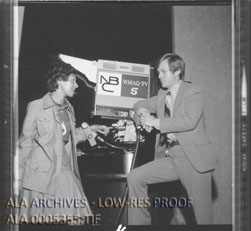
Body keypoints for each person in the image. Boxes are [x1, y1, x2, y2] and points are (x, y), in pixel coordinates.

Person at [14, 58, 109, 225]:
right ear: (59, 80)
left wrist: (89, 130)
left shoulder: (69, 109)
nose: (77, 85)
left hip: (63, 169)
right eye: (73, 80)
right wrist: (18, 180)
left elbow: (66, 139)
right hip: (40, 176)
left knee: (72, 219)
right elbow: (25, 143)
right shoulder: (36, 106)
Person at [127, 53, 217, 225]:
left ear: (177, 71)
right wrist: (143, 114)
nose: (158, 76)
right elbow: (139, 105)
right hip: (172, 157)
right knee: (135, 177)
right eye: (158, 71)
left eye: (163, 71)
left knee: (203, 216)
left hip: (193, 159)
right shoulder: (162, 95)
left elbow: (189, 121)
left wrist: (155, 122)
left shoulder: (193, 92)